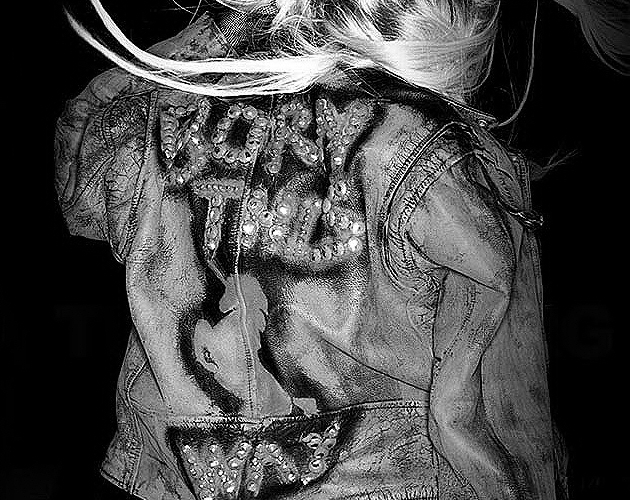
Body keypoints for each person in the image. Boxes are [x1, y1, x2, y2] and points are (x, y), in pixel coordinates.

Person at [55, 1, 626, 499]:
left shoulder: (152, 114)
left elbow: (80, 176)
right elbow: (505, 428)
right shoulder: (435, 154)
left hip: (172, 477)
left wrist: (220, 31)